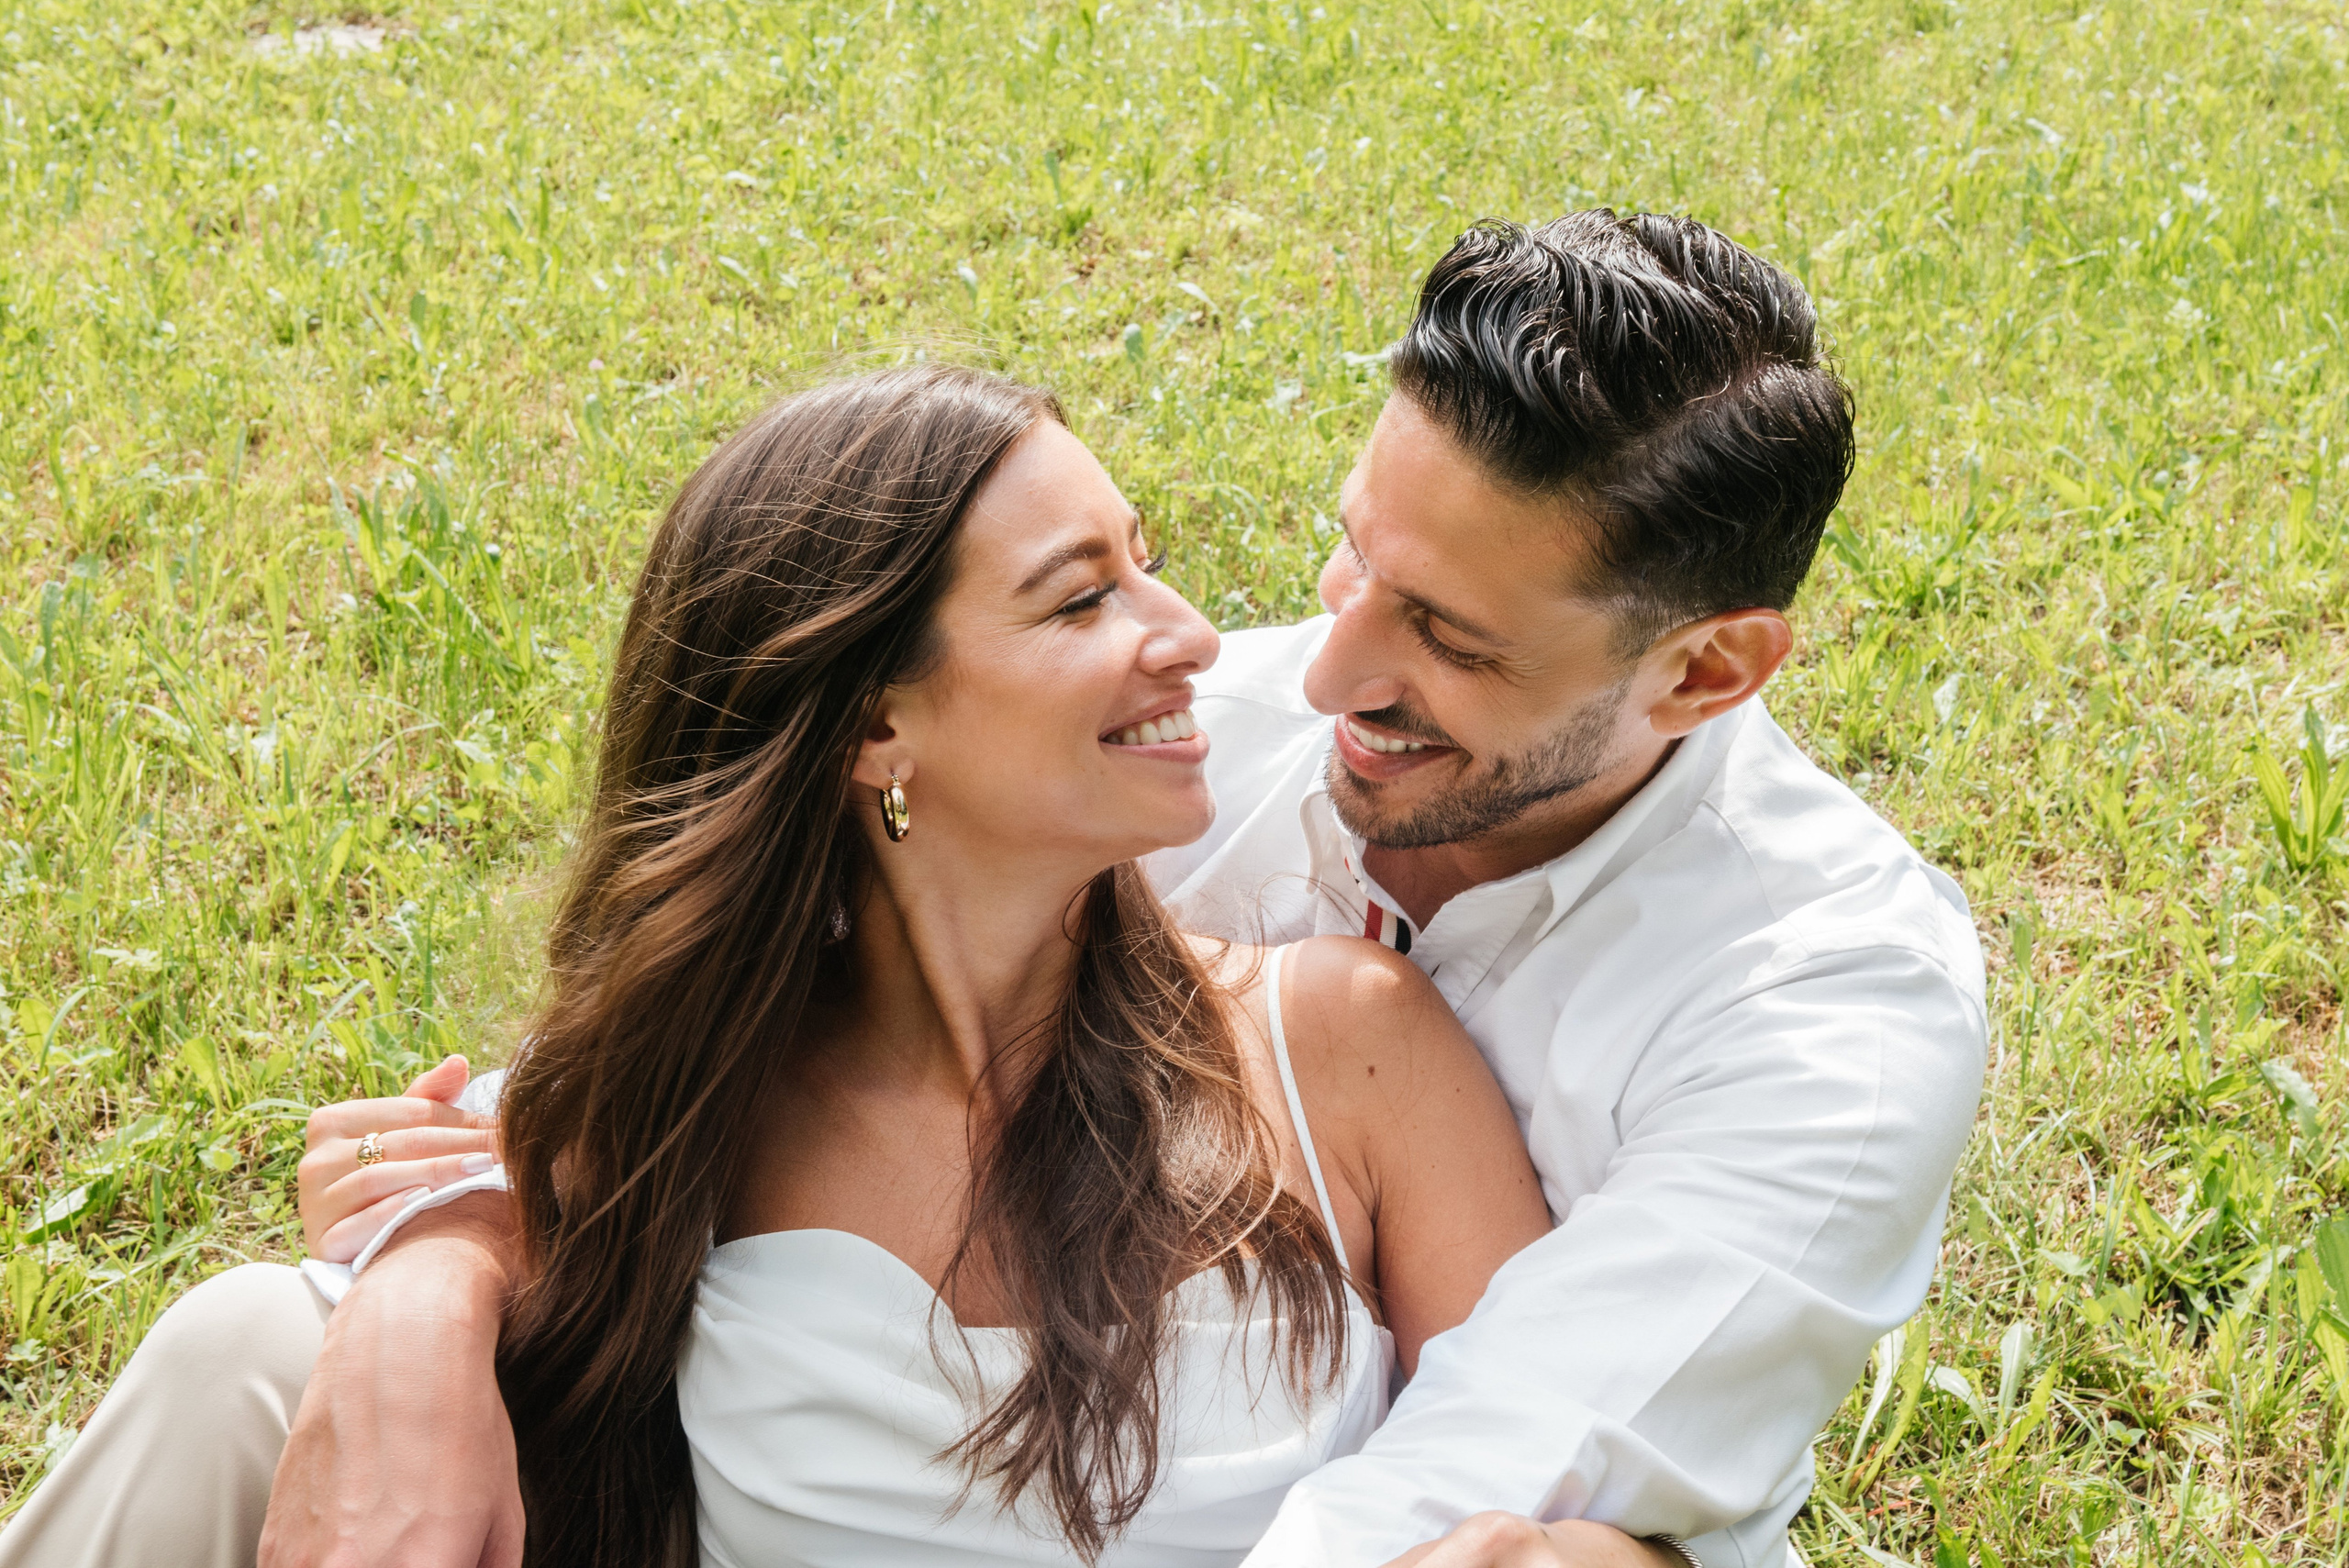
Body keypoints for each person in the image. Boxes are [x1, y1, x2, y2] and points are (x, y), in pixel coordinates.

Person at [16, 209, 1990, 1568]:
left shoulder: (1821, 1008)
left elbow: (1518, 1470)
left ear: (1702, 671)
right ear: (877, 736)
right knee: (244, 1357)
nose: (1293, 679)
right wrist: (422, 1295)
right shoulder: (1161, 753)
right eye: (1343, 564)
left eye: (1442, 645)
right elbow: (577, 1093)